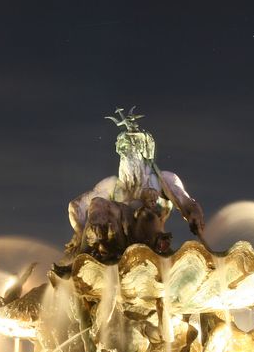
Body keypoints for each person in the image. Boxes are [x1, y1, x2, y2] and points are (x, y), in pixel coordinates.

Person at [66, 109, 205, 257]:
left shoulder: (163, 180)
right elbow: (75, 207)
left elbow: (185, 201)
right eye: (124, 152)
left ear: (145, 152)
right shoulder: (112, 185)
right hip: (119, 245)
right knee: (98, 204)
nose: (127, 155)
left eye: (133, 149)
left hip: (153, 245)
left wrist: (194, 212)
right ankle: (88, 253)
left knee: (146, 215)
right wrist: (81, 233)